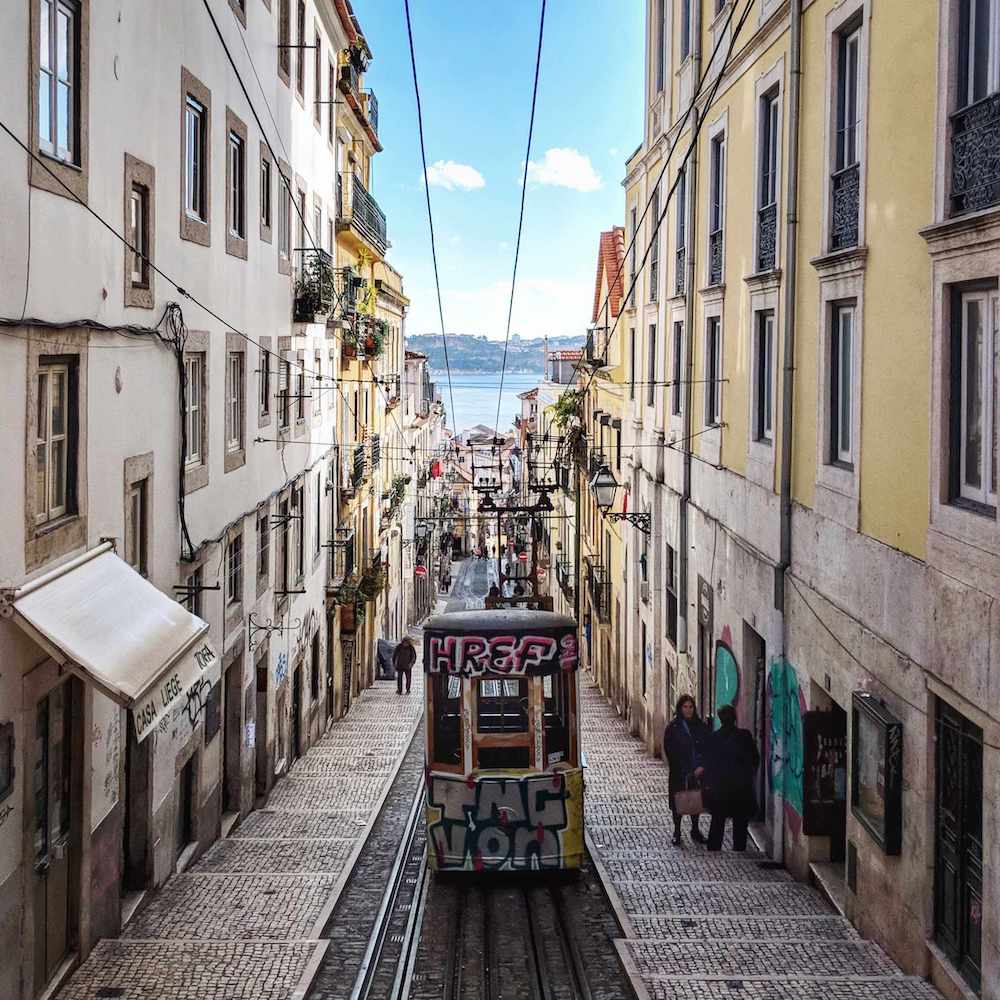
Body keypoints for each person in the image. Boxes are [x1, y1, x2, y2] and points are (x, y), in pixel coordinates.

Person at [703, 704, 760, 851]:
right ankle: (739, 850)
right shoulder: (745, 736)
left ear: (720, 719)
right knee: (740, 824)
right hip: (741, 788)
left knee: (717, 822)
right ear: (735, 718)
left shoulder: (713, 738)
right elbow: (755, 759)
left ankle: (714, 849)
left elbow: (709, 764)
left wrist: (709, 783)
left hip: (720, 788)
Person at [663, 695, 709, 846]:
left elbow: (706, 747)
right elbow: (669, 750)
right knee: (678, 801)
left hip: (697, 772)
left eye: (691, 707)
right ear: (680, 708)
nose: (688, 710)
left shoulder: (700, 726)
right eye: (685, 707)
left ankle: (695, 830)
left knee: (695, 800)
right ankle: (677, 831)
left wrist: (701, 767)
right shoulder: (673, 727)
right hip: (679, 772)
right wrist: (683, 769)